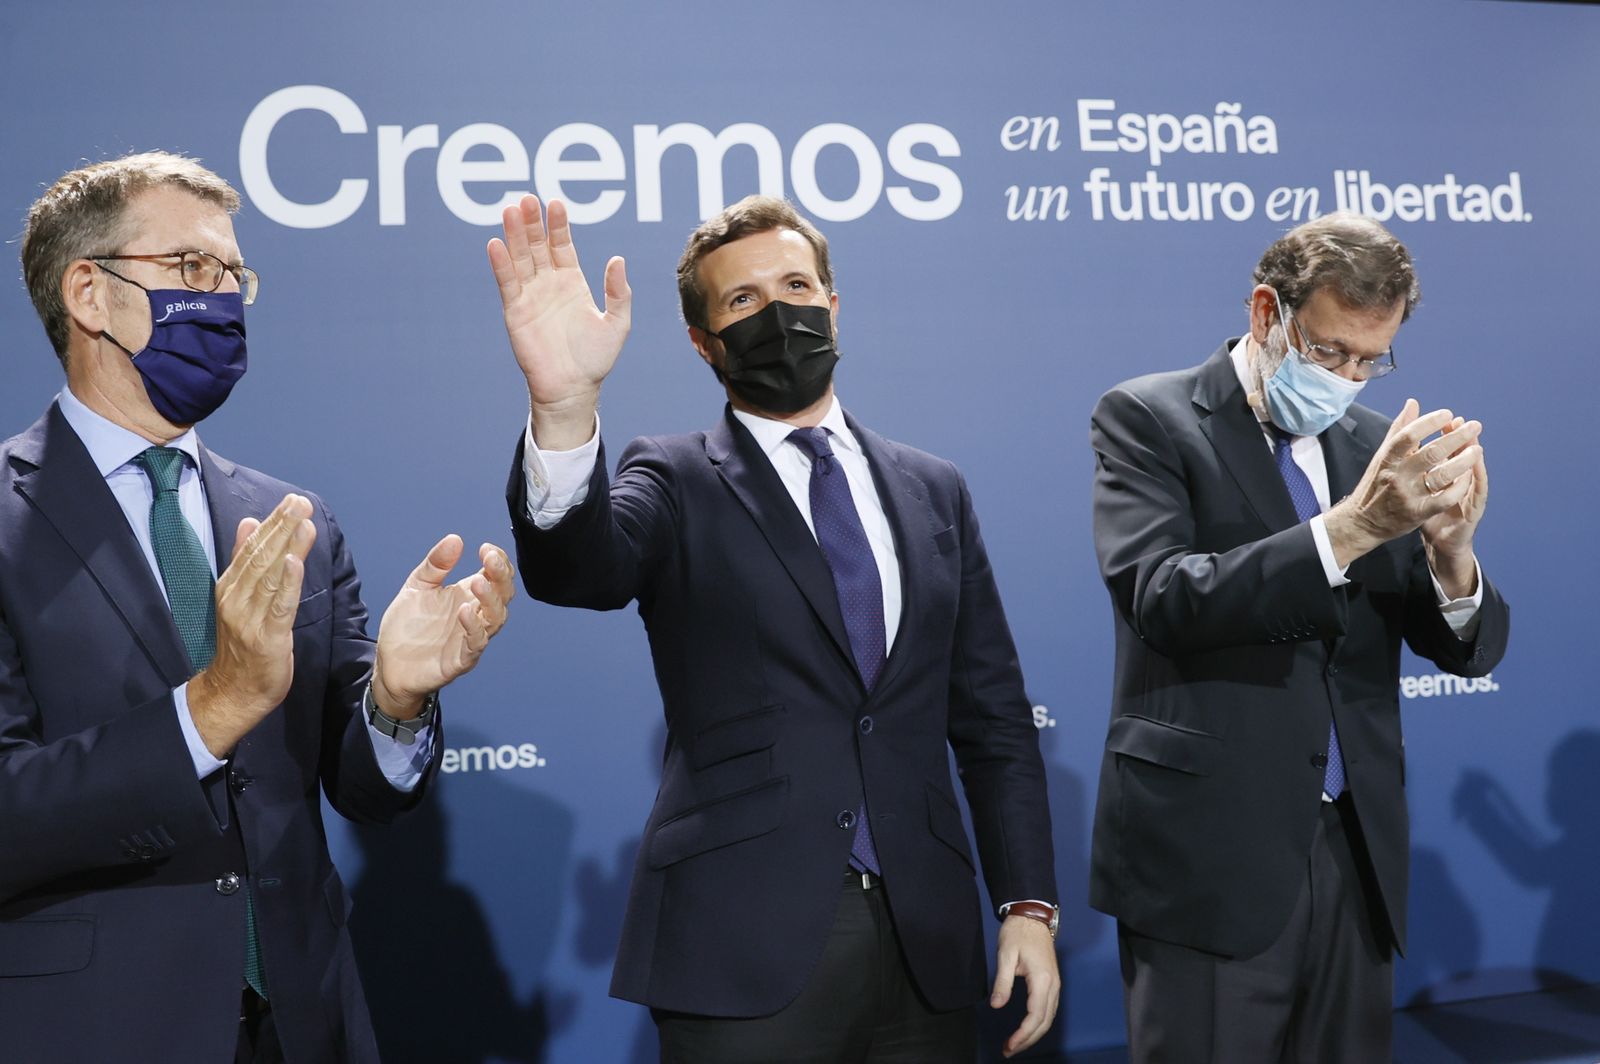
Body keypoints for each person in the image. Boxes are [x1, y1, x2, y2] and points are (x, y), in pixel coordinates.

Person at [492, 194, 1059, 1062]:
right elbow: (579, 571)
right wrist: (565, 409)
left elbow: (993, 718)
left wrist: (1026, 903)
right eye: (744, 301)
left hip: (927, 943)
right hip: (741, 943)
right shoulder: (673, 475)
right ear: (703, 341)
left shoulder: (933, 487)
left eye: (797, 285)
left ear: (833, 305)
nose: (780, 311)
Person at [0, 151, 516, 1064]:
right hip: (96, 1028)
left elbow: (359, 786)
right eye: (192, 269)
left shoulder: (289, 519)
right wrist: (213, 707)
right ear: (89, 291)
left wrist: (394, 701)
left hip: (306, 1022)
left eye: (236, 274)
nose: (224, 296)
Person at [1087, 212, 1510, 1062]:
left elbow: (1463, 647)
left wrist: (1454, 557)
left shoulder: (1369, 444)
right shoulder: (1149, 417)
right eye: (1328, 353)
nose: (1348, 378)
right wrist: (1350, 530)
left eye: (1369, 359)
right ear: (1265, 313)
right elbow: (1162, 595)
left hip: (1353, 861)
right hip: (1211, 858)